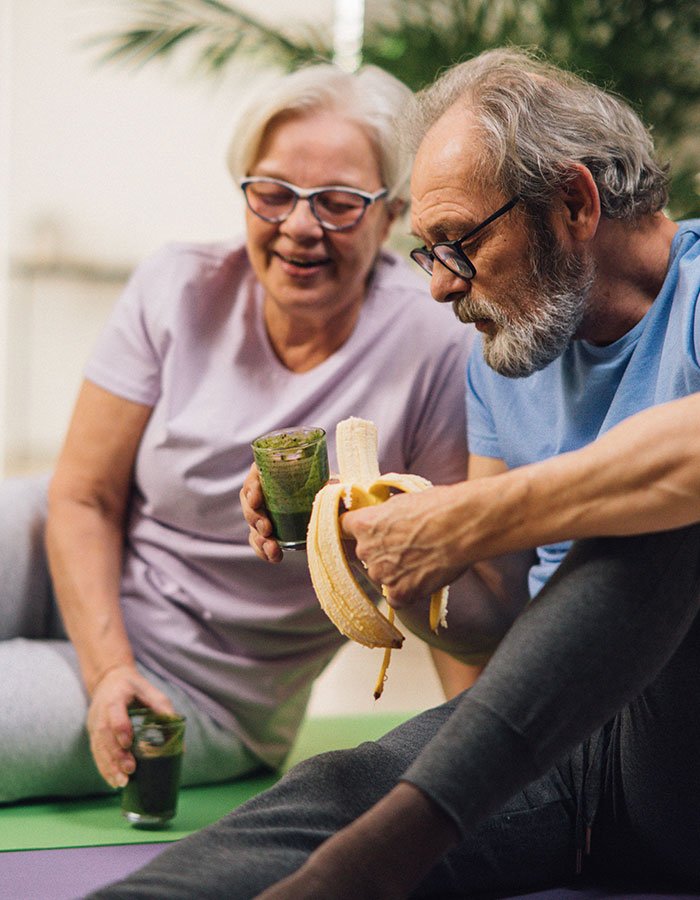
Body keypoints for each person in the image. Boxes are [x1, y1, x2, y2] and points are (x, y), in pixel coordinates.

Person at [89, 48, 700, 898]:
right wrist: (384, 556)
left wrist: (469, 519)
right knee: (321, 800)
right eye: (429, 252)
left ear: (573, 201)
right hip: (562, 747)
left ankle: (380, 861)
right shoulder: (504, 357)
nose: (444, 288)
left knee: (669, 518)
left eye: (459, 245)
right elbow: (491, 619)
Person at [0, 62, 479, 804]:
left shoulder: (437, 348)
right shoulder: (175, 285)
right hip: (61, 557)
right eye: (274, 193)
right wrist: (106, 663)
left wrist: (482, 780)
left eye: (340, 202)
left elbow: (450, 585)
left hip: (199, 685)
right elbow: (84, 497)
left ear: (390, 216)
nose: (299, 226)